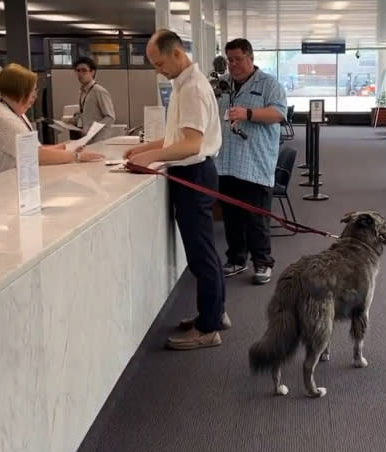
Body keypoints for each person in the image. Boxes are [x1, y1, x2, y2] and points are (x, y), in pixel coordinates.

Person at [124, 29, 227, 351]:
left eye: (159, 63)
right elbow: (177, 138)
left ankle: (208, 328)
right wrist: (146, 149)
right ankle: (214, 313)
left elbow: (192, 144)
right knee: (203, 251)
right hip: (193, 173)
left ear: (177, 54)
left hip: (194, 174)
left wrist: (150, 157)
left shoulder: (193, 88)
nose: (158, 70)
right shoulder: (183, 85)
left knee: (201, 254)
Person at [215, 38, 287, 285]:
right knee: (232, 217)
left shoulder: (269, 84)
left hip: (255, 164)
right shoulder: (223, 85)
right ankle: (236, 258)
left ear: (251, 58)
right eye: (229, 60)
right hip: (227, 163)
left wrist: (248, 113)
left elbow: (278, 113)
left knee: (256, 218)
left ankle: (262, 262)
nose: (233, 64)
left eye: (237, 59)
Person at [0, 63, 103, 180]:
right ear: (19, 91)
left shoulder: (16, 114)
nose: (35, 97)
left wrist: (66, 146)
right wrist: (76, 156)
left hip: (9, 186)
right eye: (32, 91)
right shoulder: (2, 118)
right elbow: (36, 155)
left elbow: (36, 149)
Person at [71, 56, 116, 141]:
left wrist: (92, 130)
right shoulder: (83, 92)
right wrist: (75, 119)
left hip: (99, 140)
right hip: (87, 139)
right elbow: (89, 114)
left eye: (84, 70)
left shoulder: (99, 91)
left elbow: (110, 117)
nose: (80, 74)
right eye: (78, 70)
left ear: (92, 72)